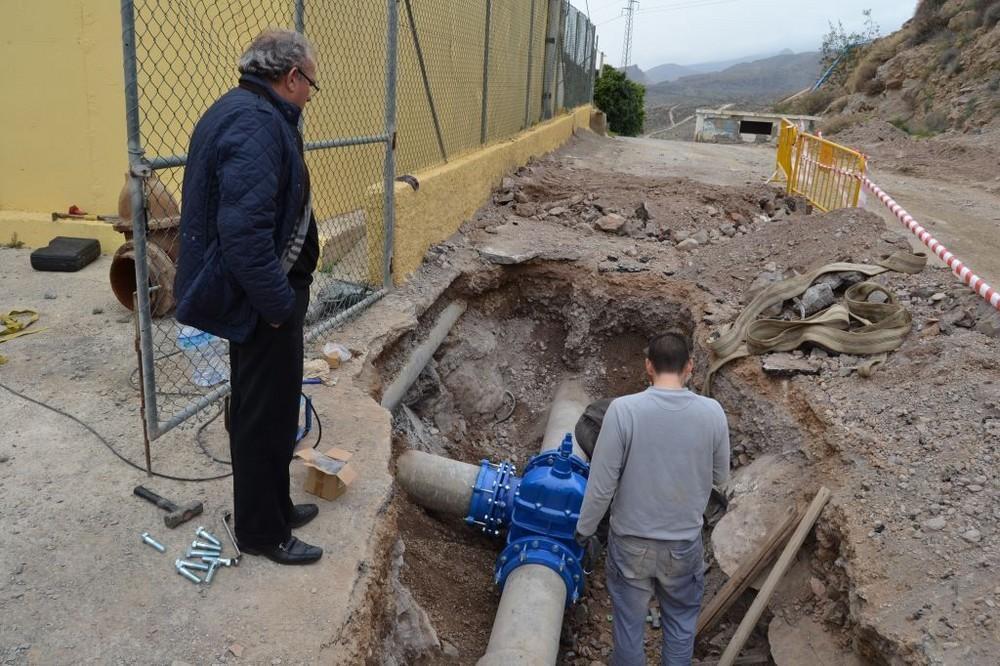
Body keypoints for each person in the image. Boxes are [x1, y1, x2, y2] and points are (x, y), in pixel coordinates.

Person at [174, 30, 323, 565]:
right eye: (311, 82)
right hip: (265, 304)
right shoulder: (257, 123)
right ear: (290, 78)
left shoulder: (251, 113)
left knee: (273, 411)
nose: (311, 93)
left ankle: (275, 506)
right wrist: (280, 308)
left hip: (265, 299)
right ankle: (263, 532)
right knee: (263, 418)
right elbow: (243, 235)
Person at [575, 332, 730, 665]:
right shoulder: (713, 413)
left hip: (631, 543)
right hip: (682, 544)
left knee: (629, 627)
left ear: (648, 366)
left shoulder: (622, 411)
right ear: (689, 367)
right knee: (680, 625)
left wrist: (584, 529)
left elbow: (602, 484)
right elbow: (721, 477)